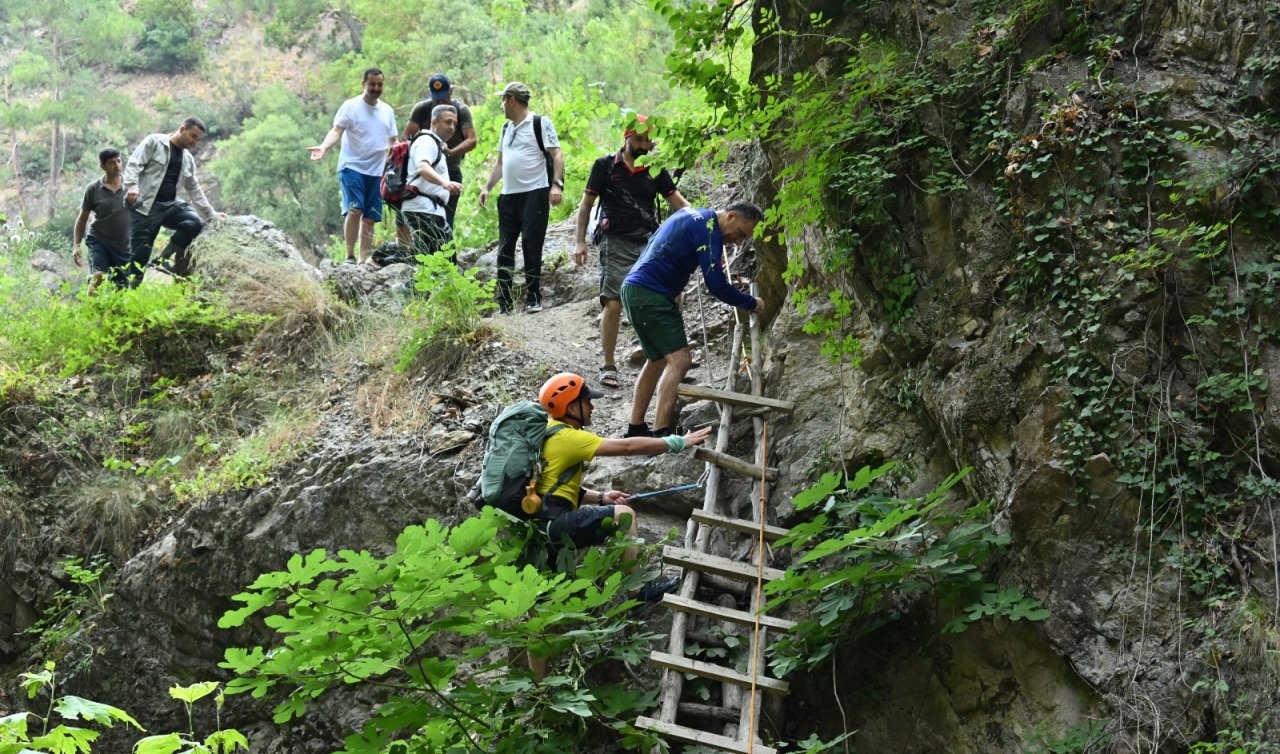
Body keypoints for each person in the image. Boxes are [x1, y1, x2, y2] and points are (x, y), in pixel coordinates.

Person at [527, 372, 713, 679]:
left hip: (540, 527)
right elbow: (625, 448)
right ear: (569, 406)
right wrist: (675, 441)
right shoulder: (569, 437)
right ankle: (636, 593)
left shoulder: (547, 434)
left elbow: (553, 488)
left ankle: (539, 689)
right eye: (587, 401)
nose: (593, 407)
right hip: (557, 522)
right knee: (623, 516)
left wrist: (600, 497)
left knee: (539, 613)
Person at [621, 203, 765, 438]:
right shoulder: (709, 231)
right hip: (651, 294)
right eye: (740, 233)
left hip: (636, 289)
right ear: (730, 216)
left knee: (657, 360)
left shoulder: (693, 214)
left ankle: (635, 428)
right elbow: (716, 285)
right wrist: (751, 303)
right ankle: (661, 433)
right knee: (680, 360)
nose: (738, 241)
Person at [573, 114, 688, 389]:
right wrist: (579, 242)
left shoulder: (655, 168)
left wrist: (704, 223)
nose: (644, 145)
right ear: (626, 137)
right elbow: (586, 205)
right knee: (613, 302)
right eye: (639, 139)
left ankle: (666, 355)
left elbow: (678, 203)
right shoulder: (604, 166)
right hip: (615, 240)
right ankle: (608, 364)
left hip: (650, 241)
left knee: (672, 295)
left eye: (648, 140)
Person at [478, 82, 564, 314]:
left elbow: (556, 154)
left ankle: (533, 297)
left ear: (511, 100)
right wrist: (487, 186)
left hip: (534, 193)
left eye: (503, 100)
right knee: (505, 248)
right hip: (508, 196)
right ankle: (504, 303)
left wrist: (556, 185)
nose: (501, 105)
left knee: (531, 245)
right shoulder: (506, 128)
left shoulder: (540, 123)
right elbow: (500, 163)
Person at [309, 67, 397, 264]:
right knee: (355, 209)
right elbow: (337, 131)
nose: (376, 88)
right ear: (363, 84)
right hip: (352, 166)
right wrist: (324, 147)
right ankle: (349, 255)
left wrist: (396, 163)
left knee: (370, 217)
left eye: (379, 84)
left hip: (377, 170)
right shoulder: (351, 106)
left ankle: (363, 259)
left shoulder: (387, 111)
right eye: (372, 84)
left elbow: (393, 141)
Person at [122, 117, 223, 286]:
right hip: (145, 207)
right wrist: (132, 187)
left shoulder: (188, 159)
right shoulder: (154, 142)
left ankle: (161, 260)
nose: (194, 142)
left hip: (170, 205)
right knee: (138, 257)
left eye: (198, 139)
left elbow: (194, 189)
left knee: (193, 223)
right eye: (193, 136)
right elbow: (134, 164)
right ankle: (128, 295)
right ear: (182, 129)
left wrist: (211, 214)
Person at [403, 73, 476, 232]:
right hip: (423, 172)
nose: (440, 102)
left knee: (445, 219)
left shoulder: (461, 110)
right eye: (437, 99)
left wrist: (450, 152)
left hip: (450, 170)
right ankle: (423, 252)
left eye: (444, 98)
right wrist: (418, 150)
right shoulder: (422, 109)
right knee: (420, 219)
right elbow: (407, 136)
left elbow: (472, 139)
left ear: (452, 91)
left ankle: (442, 252)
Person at [391, 105, 463, 262]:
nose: (451, 127)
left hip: (431, 211)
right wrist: (446, 183)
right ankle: (404, 283)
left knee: (440, 262)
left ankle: (393, 265)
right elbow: (423, 167)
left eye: (454, 124)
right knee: (438, 263)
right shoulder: (426, 141)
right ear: (434, 122)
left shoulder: (435, 143)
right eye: (447, 122)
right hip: (423, 210)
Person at [72, 148, 131, 294]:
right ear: (102, 166)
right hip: (99, 240)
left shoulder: (131, 186)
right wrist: (76, 245)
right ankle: (90, 309)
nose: (117, 165)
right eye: (112, 163)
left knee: (121, 291)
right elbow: (82, 219)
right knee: (99, 275)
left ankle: (108, 315)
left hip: (123, 247)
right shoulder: (93, 189)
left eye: (118, 161)